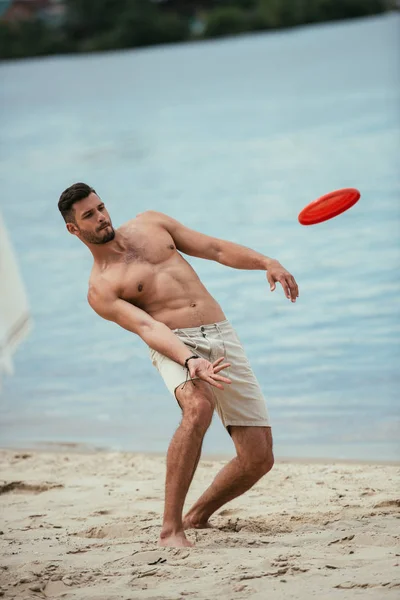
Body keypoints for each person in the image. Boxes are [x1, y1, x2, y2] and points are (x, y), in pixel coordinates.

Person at [58, 182, 299, 548]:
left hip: (221, 335)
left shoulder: (152, 224)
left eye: (101, 207)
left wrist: (267, 262)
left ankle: (197, 516)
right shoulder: (101, 288)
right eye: (89, 215)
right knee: (197, 408)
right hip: (174, 343)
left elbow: (216, 249)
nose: (102, 217)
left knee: (258, 458)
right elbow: (147, 326)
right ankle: (171, 529)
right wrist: (190, 360)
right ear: (73, 229)